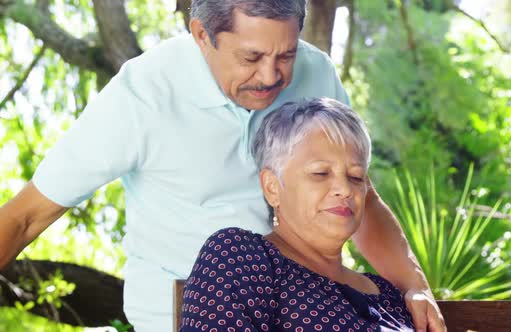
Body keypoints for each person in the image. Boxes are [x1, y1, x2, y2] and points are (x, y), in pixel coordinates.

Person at [0, 1, 444, 331]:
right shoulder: (143, 94)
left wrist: (413, 283)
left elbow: (354, 197)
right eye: (251, 58)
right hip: (183, 315)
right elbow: (23, 218)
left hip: (304, 305)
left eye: (285, 55)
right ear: (201, 35)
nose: (271, 76)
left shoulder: (317, 72)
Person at [180, 98, 414, 332]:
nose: (344, 189)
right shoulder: (241, 257)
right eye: (320, 173)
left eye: (356, 177)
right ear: (272, 187)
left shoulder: (387, 294)